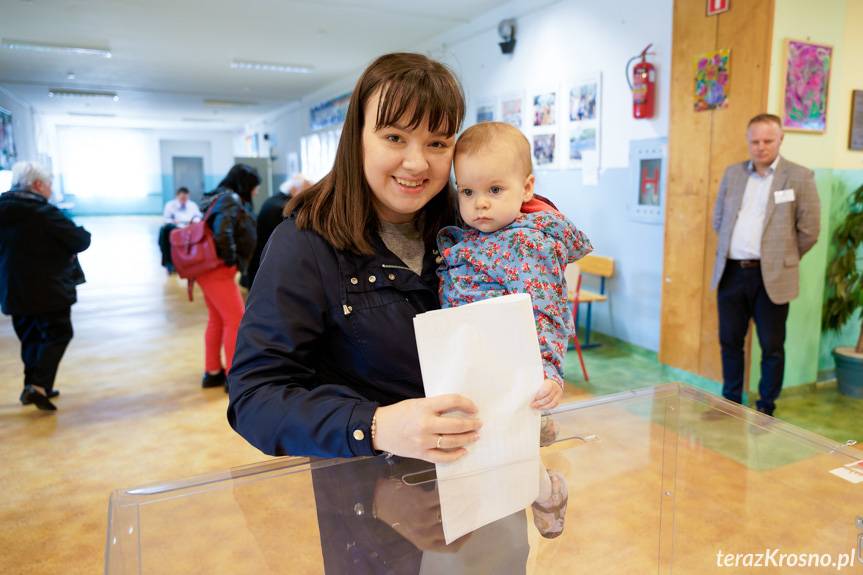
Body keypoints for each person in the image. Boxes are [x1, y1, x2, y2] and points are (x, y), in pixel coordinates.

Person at [227, 52, 485, 462]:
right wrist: (375, 425)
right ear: (357, 137)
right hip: (371, 496)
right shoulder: (305, 244)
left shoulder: (474, 229)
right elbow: (255, 397)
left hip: (482, 475)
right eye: (395, 137)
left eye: (437, 143)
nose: (417, 163)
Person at [437, 121, 590, 538]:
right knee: (487, 443)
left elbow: (546, 311)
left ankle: (548, 491)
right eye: (467, 192)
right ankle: (538, 443)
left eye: (494, 190)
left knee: (502, 449)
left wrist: (549, 370)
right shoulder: (472, 238)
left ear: (526, 189)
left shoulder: (528, 243)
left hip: (515, 369)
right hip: (476, 363)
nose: (479, 204)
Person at [711, 113, 821, 416]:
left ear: (781, 139)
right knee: (730, 341)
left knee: (771, 347)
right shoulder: (733, 174)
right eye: (755, 141)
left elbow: (809, 230)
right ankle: (730, 402)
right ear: (748, 141)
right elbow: (719, 219)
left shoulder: (800, 176)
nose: (760, 147)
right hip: (732, 272)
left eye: (767, 141)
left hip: (771, 276)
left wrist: (783, 260)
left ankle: (765, 409)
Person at [0, 161, 91, 411]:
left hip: (12, 287)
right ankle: (39, 386)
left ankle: (33, 386)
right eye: (49, 184)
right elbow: (80, 240)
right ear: (38, 185)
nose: (50, 190)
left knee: (30, 337)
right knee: (58, 333)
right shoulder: (42, 211)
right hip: (48, 288)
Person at [196, 164, 258, 391]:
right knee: (236, 320)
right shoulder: (229, 198)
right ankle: (234, 376)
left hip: (206, 269)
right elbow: (223, 230)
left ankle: (212, 372)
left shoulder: (214, 195)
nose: (256, 191)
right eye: (254, 186)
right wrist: (231, 261)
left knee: (218, 319)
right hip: (218, 269)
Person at [243, 174, 312, 288]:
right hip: (265, 264)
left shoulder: (274, 200)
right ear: (295, 190)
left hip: (261, 259)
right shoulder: (282, 206)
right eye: (306, 191)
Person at [158, 186, 201, 273]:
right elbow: (166, 219)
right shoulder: (170, 205)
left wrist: (193, 222)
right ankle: (168, 263)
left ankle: (196, 262)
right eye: (182, 198)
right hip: (175, 228)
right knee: (164, 231)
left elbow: (198, 216)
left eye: (186, 198)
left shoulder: (192, 205)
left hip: (190, 228)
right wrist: (176, 224)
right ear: (177, 196)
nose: (184, 200)